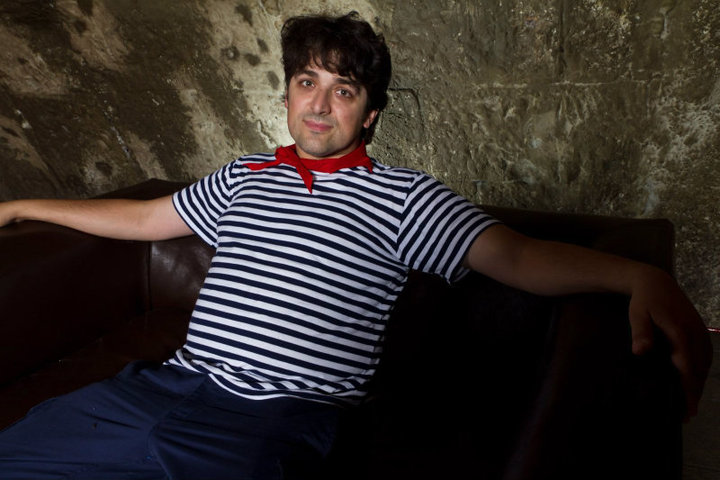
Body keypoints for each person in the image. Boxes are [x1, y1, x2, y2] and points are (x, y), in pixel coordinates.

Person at [0, 11, 712, 480]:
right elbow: (144, 219)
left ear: (369, 114)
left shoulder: (404, 196)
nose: (318, 103)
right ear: (287, 95)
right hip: (159, 387)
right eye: (306, 82)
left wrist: (633, 275)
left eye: (343, 90)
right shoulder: (244, 175)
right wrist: (22, 205)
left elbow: (518, 256)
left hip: (274, 421)